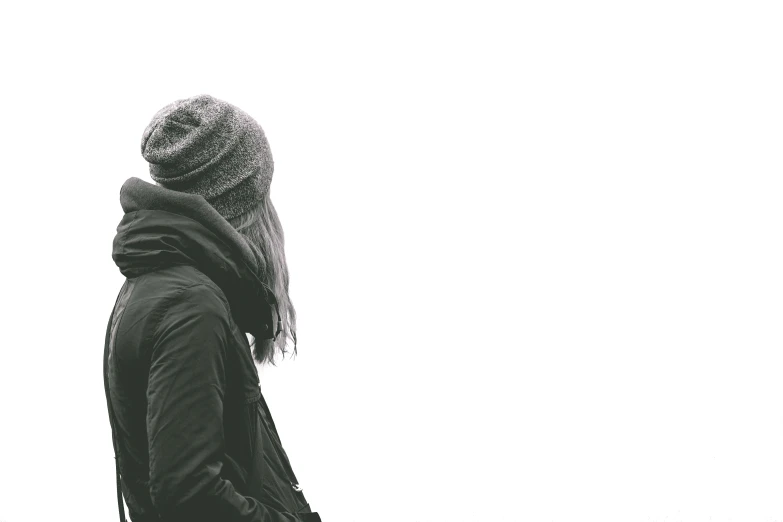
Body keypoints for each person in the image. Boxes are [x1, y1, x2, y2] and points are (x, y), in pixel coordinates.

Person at [103, 94, 321, 522]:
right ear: (237, 202)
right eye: (264, 193)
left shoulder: (160, 289)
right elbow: (191, 496)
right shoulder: (191, 306)